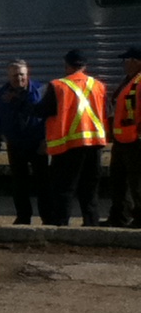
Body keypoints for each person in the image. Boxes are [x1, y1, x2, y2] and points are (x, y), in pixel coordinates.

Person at [35, 49, 107, 226]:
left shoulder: (58, 86)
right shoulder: (98, 85)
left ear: (67, 66)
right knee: (90, 190)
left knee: (64, 189)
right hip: (94, 145)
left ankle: (61, 226)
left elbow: (42, 110)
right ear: (84, 66)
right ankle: (92, 225)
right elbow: (107, 111)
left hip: (68, 146)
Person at [0, 60, 47, 224]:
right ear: (8, 76)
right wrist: (1, 134)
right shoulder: (1, 94)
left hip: (37, 143)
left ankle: (47, 216)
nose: (19, 78)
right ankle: (23, 217)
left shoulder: (40, 90)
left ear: (28, 74)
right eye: (14, 75)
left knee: (43, 183)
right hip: (15, 144)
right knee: (19, 183)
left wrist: (46, 140)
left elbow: (47, 116)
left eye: (22, 74)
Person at [103, 47, 141, 228]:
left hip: (136, 140)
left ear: (136, 61)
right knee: (119, 181)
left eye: (126, 61)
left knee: (137, 183)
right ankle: (119, 217)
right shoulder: (129, 80)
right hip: (122, 140)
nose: (124, 64)